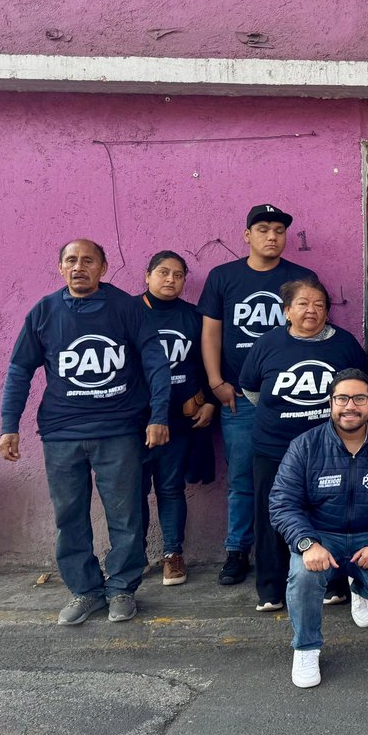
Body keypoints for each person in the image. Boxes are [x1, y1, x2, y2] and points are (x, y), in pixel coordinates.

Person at [0, 239, 171, 625]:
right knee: (69, 517)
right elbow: (19, 371)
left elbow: (156, 364)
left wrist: (158, 416)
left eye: (88, 260)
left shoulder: (126, 308)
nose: (79, 267)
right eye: (71, 260)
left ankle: (122, 588)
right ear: (61, 268)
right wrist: (10, 426)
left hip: (119, 431)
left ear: (103, 267)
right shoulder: (44, 312)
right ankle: (85, 591)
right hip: (61, 434)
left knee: (126, 515)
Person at [268, 369, 368, 688]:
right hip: (322, 536)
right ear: (331, 403)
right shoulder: (305, 446)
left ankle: (358, 587)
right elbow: (282, 502)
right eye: (342, 398)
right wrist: (307, 543)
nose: (350, 406)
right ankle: (306, 647)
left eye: (359, 398)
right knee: (304, 577)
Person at [199, 204, 316, 587]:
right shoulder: (223, 277)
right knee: (244, 479)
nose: (272, 236)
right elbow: (211, 332)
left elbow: (314, 331)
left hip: (294, 398)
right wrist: (216, 382)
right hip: (239, 399)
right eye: (263, 229)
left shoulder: (302, 277)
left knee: (305, 478)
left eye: (279, 230)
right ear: (246, 235)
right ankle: (237, 550)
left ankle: (301, 546)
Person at [238, 278, 368, 612]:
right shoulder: (268, 344)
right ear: (286, 311)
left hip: (330, 449)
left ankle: (335, 584)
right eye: (303, 304)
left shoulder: (344, 344)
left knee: (330, 514)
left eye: (319, 304)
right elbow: (252, 389)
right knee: (271, 516)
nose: (311, 310)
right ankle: (271, 589)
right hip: (273, 447)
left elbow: (360, 388)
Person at [137, 250, 216, 586]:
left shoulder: (192, 317)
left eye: (178, 274)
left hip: (179, 421)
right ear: (148, 275)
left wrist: (208, 400)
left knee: (170, 488)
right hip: (134, 421)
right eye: (163, 272)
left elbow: (208, 362)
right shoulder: (129, 313)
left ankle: (173, 554)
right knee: (133, 490)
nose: (170, 280)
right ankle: (133, 555)